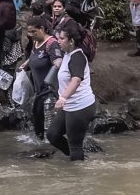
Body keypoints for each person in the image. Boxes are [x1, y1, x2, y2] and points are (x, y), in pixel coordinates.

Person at [47, 20, 97, 161]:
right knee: (53, 135)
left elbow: (76, 80)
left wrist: (62, 98)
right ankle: (79, 158)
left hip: (80, 106)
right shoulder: (68, 54)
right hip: (70, 105)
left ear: (72, 41)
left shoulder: (77, 57)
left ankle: (78, 173)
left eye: (62, 39)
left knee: (75, 144)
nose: (59, 41)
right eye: (58, 38)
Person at [20, 15, 63, 142]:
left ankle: (51, 148)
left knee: (49, 125)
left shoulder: (52, 43)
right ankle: (40, 144)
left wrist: (49, 80)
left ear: (42, 29)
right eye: (29, 31)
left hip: (50, 92)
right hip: (39, 91)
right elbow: (36, 55)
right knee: (37, 118)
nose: (30, 34)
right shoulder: (36, 41)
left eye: (34, 31)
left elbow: (58, 62)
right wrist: (27, 63)